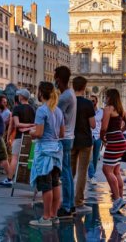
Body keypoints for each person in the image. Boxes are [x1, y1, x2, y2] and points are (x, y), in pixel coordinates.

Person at [29, 82, 64, 227]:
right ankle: (54, 215)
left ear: (41, 93)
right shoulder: (58, 110)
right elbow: (62, 133)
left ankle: (46, 217)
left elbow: (39, 133)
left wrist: (31, 132)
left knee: (46, 185)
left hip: (44, 152)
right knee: (55, 183)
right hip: (56, 150)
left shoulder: (42, 110)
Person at [100, 89, 126, 214]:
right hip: (121, 141)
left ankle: (117, 200)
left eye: (106, 96)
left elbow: (104, 127)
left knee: (106, 170)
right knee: (116, 170)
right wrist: (120, 131)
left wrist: (103, 137)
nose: (105, 98)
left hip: (113, 142)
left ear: (109, 97)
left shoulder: (108, 109)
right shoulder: (120, 109)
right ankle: (120, 198)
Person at [55, 66, 77, 219]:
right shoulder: (70, 94)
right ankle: (71, 204)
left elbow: (55, 115)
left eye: (55, 77)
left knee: (65, 174)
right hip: (69, 137)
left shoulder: (64, 97)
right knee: (68, 172)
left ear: (58, 79)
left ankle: (67, 206)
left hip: (64, 138)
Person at [71, 76, 95, 214]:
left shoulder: (69, 102)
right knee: (82, 172)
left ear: (73, 86)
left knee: (70, 172)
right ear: (84, 87)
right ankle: (78, 201)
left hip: (71, 139)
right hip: (85, 140)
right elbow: (92, 124)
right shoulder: (87, 104)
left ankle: (67, 200)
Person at [8, 89, 35, 180]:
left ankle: (9, 179)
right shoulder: (32, 109)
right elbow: (34, 124)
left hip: (19, 137)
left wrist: (8, 137)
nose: (18, 97)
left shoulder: (17, 108)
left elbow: (17, 124)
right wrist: (30, 125)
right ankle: (24, 178)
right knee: (26, 159)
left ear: (22, 97)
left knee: (14, 158)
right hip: (30, 137)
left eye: (19, 95)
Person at [88, 95, 103, 185]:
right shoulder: (86, 111)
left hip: (98, 136)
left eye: (93, 101)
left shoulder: (101, 112)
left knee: (95, 157)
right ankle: (92, 176)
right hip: (88, 136)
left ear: (96, 102)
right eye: (90, 101)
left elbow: (104, 124)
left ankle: (91, 174)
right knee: (89, 158)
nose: (91, 103)